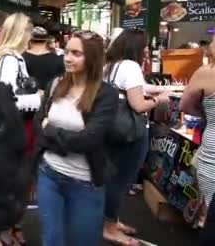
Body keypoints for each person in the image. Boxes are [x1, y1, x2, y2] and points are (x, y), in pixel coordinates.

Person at [34, 30, 117, 246]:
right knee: (51, 240)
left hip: (85, 183)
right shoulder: (56, 84)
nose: (68, 58)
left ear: (92, 58)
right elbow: (38, 124)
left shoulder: (105, 94)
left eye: (76, 53)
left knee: (84, 240)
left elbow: (89, 140)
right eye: (67, 52)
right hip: (49, 174)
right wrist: (60, 139)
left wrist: (51, 131)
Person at [103, 29, 170, 246]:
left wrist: (163, 88)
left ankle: (110, 220)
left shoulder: (112, 65)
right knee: (120, 181)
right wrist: (160, 100)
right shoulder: (131, 66)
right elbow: (138, 104)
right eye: (145, 46)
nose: (147, 50)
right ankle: (110, 228)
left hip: (112, 130)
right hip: (130, 133)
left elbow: (133, 88)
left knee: (112, 179)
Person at [0, 13, 40, 246]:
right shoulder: (10, 59)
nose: (30, 36)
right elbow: (8, 99)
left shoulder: (13, 58)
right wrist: (38, 99)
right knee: (14, 186)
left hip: (16, 130)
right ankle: (3, 235)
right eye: (28, 31)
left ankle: (8, 230)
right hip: (15, 130)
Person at [181, 36, 215, 236]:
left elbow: (185, 105)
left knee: (211, 214)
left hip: (211, 156)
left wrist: (207, 114)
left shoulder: (206, 73)